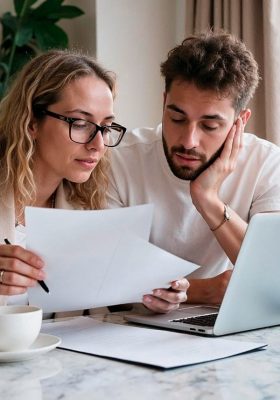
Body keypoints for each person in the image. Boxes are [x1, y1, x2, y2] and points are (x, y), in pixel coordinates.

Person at [107, 31, 280, 313]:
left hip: (226, 328)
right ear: (164, 103)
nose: (188, 141)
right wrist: (204, 290)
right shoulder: (120, 159)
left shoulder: (266, 164)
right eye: (177, 118)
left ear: (240, 121)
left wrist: (208, 199)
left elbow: (275, 277)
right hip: (133, 327)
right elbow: (105, 279)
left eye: (209, 125)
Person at [0, 49, 127, 308]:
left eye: (106, 127)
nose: (98, 145)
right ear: (31, 123)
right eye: (80, 123)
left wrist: (150, 292)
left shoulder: (84, 208)